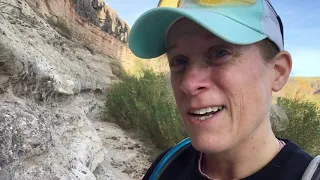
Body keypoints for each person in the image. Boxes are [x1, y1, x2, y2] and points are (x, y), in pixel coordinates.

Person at [128, 0, 315, 179]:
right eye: (179, 61)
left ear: (278, 72)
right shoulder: (166, 166)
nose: (189, 84)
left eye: (220, 53)